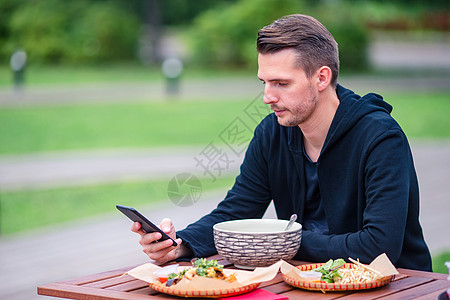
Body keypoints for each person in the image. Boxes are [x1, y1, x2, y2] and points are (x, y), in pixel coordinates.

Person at [132, 14, 432, 271]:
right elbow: (236, 212)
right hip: (304, 281)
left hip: (400, 287)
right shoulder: (272, 133)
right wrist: (180, 244)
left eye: (281, 83)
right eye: (265, 82)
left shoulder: (380, 137)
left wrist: (279, 240)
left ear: (321, 78)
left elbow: (378, 247)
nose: (267, 97)